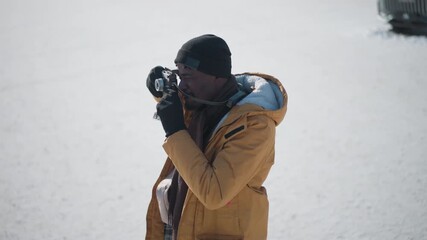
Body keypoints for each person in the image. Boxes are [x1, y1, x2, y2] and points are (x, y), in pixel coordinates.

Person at [145, 34, 288, 240]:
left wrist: (175, 130)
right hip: (181, 227)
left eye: (188, 76)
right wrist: (160, 90)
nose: (181, 86)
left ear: (216, 76)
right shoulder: (205, 102)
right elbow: (184, 103)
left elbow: (215, 193)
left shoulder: (255, 125)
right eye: (178, 75)